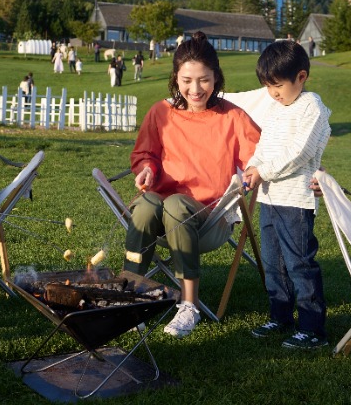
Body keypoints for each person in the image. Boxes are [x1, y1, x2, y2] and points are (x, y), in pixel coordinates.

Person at [126, 31, 261, 337]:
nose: (195, 89)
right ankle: (131, 296)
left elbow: (262, 156)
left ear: (217, 78)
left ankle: (189, 306)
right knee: (146, 206)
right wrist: (146, 169)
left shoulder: (233, 118)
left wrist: (254, 171)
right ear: (176, 79)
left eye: (204, 79)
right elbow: (145, 154)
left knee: (175, 204)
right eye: (187, 80)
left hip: (209, 221)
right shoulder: (161, 113)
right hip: (160, 219)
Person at [242, 40, 331, 350]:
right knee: (272, 261)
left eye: (278, 85)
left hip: (295, 200)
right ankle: (280, 316)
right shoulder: (277, 109)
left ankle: (312, 328)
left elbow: (300, 152)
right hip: (269, 198)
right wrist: (253, 167)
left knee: (299, 263)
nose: (274, 93)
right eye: (269, 87)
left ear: (301, 77)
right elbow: (263, 147)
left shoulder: (312, 108)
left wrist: (263, 171)